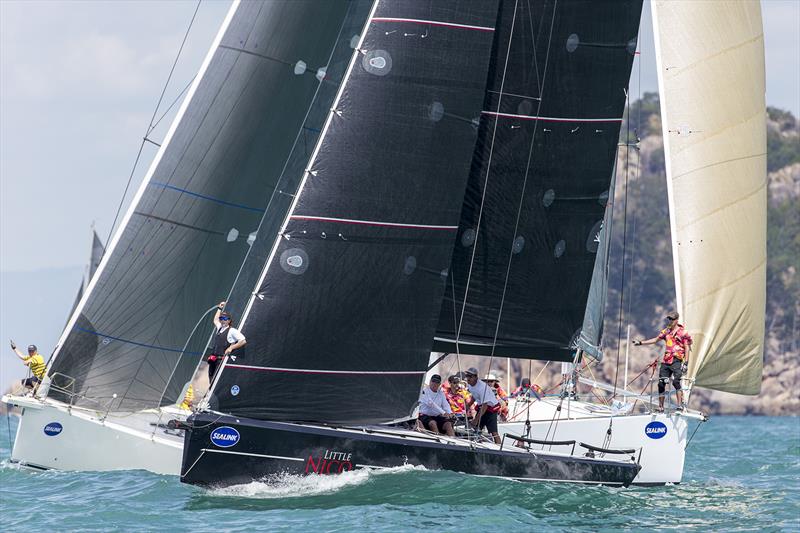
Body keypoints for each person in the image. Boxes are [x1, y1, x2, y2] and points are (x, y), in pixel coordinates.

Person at [634, 311, 693, 412]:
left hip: (677, 360)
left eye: (672, 319)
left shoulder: (683, 333)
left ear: (676, 320)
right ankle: (661, 407)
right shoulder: (666, 331)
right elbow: (655, 340)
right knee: (661, 383)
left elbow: (687, 348)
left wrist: (686, 363)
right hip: (666, 360)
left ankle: (679, 405)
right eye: (668, 319)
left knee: (676, 382)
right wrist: (640, 343)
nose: (669, 321)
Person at [207, 301, 246, 384]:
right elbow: (215, 320)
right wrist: (219, 308)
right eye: (221, 318)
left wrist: (231, 347)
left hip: (222, 360)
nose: (222, 320)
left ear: (229, 321)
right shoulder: (220, 328)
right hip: (213, 359)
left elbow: (243, 340)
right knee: (210, 379)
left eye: (225, 319)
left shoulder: (232, 330)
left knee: (216, 381)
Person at [464, 367, 501, 444]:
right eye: (467, 375)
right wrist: (468, 405)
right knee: (475, 429)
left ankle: (500, 448)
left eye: (470, 376)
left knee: (494, 432)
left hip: (491, 409)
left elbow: (485, 406)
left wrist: (475, 420)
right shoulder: (470, 385)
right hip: (483, 407)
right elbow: (474, 395)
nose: (468, 378)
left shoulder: (482, 388)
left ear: (476, 377)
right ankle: (476, 444)